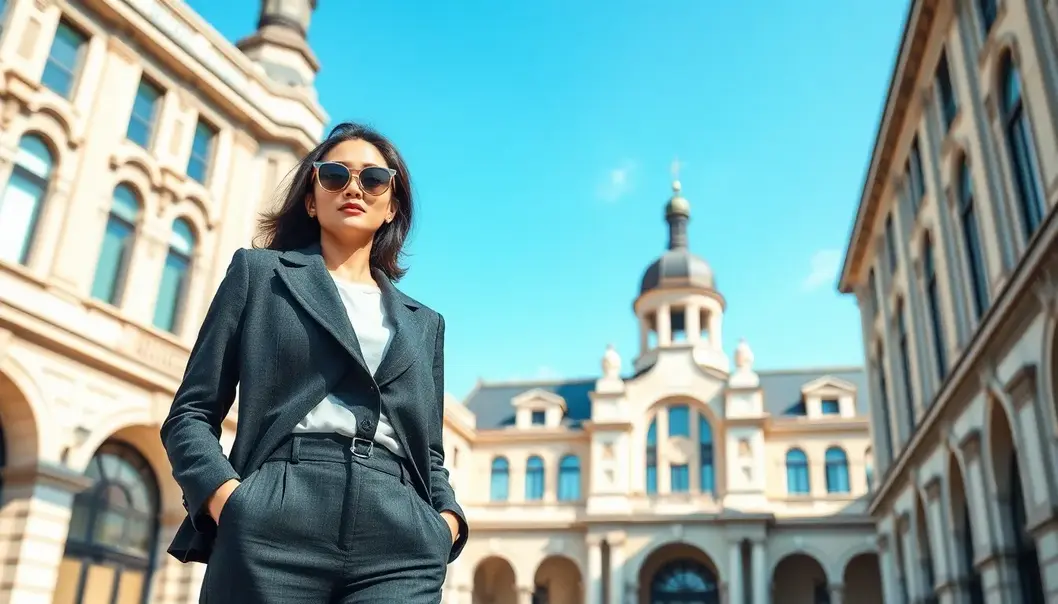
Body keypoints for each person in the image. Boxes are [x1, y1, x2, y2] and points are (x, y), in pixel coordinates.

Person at [160, 122, 468, 603]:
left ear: (392, 206)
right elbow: (191, 412)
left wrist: (445, 523)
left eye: (373, 179)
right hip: (276, 511)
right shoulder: (260, 275)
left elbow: (428, 452)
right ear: (311, 199)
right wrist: (229, 500)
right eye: (335, 175)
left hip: (401, 536)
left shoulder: (425, 324)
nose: (353, 188)